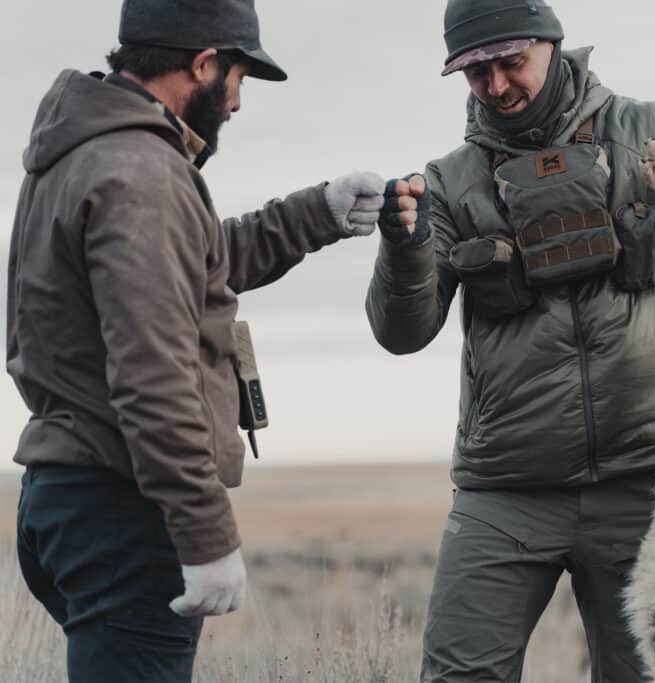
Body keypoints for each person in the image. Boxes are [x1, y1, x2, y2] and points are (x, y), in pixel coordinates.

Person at [366, 1, 655, 681]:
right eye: (475, 73)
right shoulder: (446, 183)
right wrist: (405, 247)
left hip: (645, 485)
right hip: (503, 491)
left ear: (552, 46)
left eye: (510, 63)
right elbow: (401, 332)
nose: (496, 85)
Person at [8, 1, 384, 680]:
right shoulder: (139, 173)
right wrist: (205, 532)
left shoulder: (88, 150)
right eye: (238, 78)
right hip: (122, 510)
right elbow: (153, 374)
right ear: (204, 64)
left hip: (66, 495)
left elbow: (189, 264)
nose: (237, 103)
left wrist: (315, 212)